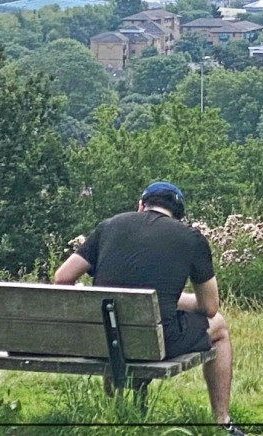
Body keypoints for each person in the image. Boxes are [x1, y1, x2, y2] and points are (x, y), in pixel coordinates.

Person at [54, 181, 246, 436]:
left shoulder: (108, 226)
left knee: (114, 324)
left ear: (141, 205)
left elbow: (62, 278)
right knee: (219, 327)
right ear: (177, 215)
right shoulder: (191, 238)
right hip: (158, 343)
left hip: (101, 340)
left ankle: (117, 415)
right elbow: (209, 307)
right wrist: (169, 299)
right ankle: (221, 422)